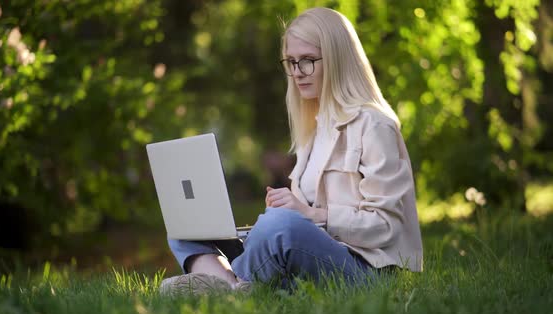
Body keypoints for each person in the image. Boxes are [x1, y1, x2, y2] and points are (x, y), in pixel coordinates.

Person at [160, 7, 423, 295]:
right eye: (291, 62)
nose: (297, 73)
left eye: (308, 61)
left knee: (280, 225)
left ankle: (223, 286)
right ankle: (234, 288)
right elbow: (298, 223)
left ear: (337, 60)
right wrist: (277, 216)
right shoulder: (315, 129)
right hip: (313, 256)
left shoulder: (373, 125)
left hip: (365, 271)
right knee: (189, 229)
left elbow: (386, 226)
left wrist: (310, 214)